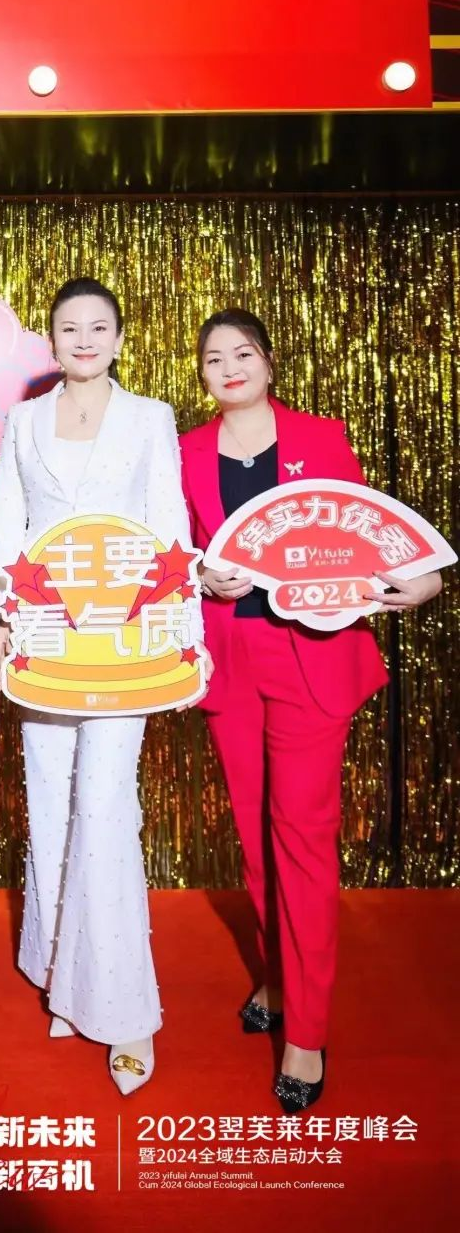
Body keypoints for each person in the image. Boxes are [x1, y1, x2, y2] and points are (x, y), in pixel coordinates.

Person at [181, 307, 442, 1114]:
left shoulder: (320, 439)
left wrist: (422, 576)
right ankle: (276, 977)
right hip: (231, 659)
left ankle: (307, 1031)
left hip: (312, 659)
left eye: (243, 352)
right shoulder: (185, 452)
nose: (230, 366)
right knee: (255, 839)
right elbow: (171, 550)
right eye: (214, 357)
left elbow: (368, 532)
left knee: (301, 838)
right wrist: (198, 574)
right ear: (203, 373)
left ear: (268, 362)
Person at [0, 278, 198, 1096]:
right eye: (69, 327)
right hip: (45, 639)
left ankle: (123, 1008)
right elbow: (10, 528)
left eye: (98, 327)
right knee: (48, 798)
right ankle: (60, 975)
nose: (83, 339)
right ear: (51, 340)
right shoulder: (23, 420)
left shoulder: (150, 418)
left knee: (106, 805)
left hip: (123, 642)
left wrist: (181, 639)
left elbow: (169, 524)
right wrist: (6, 620)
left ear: (118, 337)